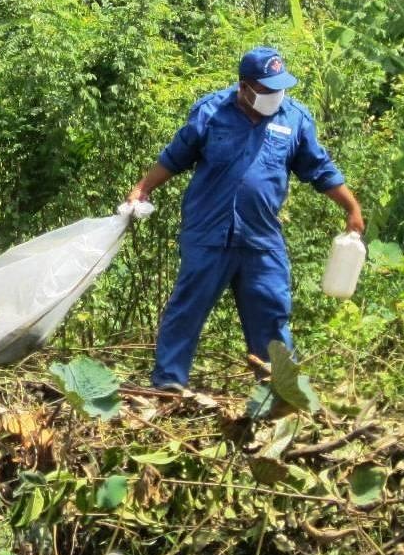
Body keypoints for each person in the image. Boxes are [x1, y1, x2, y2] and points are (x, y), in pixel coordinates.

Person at [124, 47, 364, 392]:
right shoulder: (211, 112)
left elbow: (320, 169)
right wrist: (142, 188)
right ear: (244, 85)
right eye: (266, 89)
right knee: (187, 309)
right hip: (208, 232)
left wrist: (351, 208)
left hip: (260, 237)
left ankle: (281, 392)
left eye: (279, 88)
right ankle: (168, 385)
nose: (274, 96)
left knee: (271, 310)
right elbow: (176, 157)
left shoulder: (294, 118)